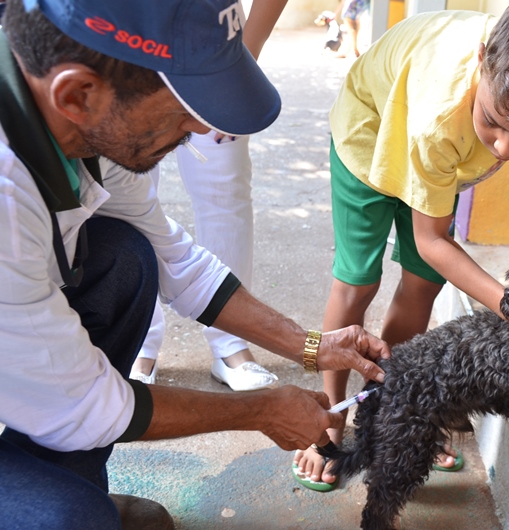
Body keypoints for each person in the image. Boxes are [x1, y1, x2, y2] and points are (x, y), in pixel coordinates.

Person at [0, 0, 390, 528]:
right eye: (185, 107)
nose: (203, 129)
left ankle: (60, 478)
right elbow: (84, 404)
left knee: (125, 258)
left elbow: (173, 258)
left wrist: (310, 346)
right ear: (78, 94)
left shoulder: (81, 125)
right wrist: (261, 410)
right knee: (69, 520)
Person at [292, 0, 509, 489]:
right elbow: (433, 240)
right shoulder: (439, 111)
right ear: (484, 59)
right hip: (372, 137)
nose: (506, 149)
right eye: (493, 122)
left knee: (422, 288)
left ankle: (400, 411)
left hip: (440, 168)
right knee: (357, 281)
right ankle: (330, 419)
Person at [130, 0, 290, 392]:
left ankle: (231, 344)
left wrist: (239, 68)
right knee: (128, 196)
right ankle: (137, 342)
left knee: (225, 192)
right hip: (125, 45)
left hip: (213, 46)